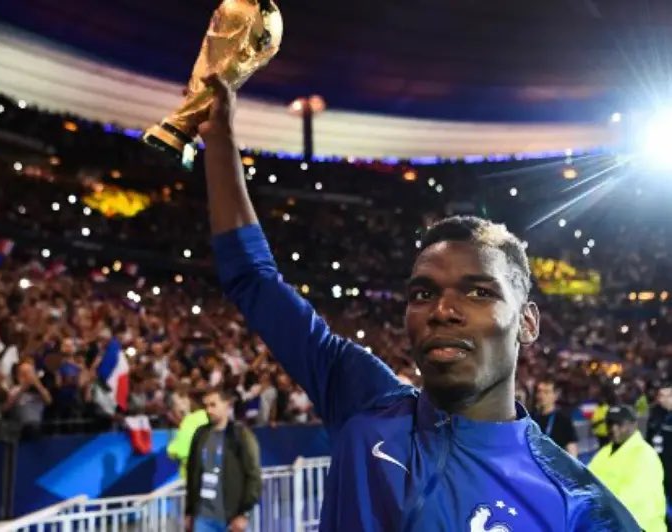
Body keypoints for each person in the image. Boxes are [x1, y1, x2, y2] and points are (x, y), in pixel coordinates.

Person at [199, 73, 639, 530]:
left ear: (527, 323)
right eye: (423, 293)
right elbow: (252, 278)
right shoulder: (364, 401)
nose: (442, 310)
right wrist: (220, 140)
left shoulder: (579, 506)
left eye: (479, 291)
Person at [185, 388, 260, 532]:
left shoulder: (240, 434)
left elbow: (253, 475)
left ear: (227, 405)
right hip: (203, 517)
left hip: (231, 518)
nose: (208, 410)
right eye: (206, 406)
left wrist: (244, 513)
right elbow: (192, 473)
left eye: (213, 405)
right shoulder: (200, 434)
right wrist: (189, 511)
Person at [588, 405, 667, 532]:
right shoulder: (604, 452)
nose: (613, 429)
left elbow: (633, 499)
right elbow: (586, 482)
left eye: (619, 424)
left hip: (640, 527)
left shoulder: (644, 454)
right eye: (610, 424)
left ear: (633, 424)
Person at [167, 390, 209, 478]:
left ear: (191, 400)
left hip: (192, 471)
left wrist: (171, 449)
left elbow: (182, 449)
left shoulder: (190, 420)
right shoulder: (210, 417)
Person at [533, 379, 579, 457]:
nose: (542, 395)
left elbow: (572, 451)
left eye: (546, 392)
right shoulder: (531, 419)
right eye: (539, 391)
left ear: (555, 396)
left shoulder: (564, 420)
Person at [647, 383, 672, 525]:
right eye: (662, 395)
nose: (665, 399)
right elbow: (648, 440)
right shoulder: (655, 414)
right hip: (658, 470)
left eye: (669, 395)